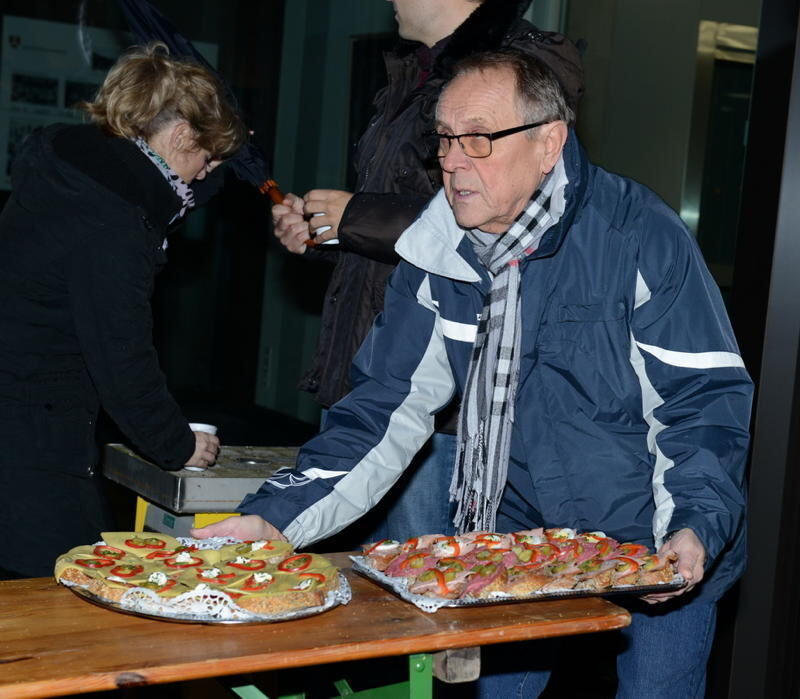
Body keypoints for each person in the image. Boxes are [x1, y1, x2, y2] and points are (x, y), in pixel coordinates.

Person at [195, 48, 753, 696]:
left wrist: (693, 525)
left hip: (655, 534)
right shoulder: (438, 249)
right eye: (445, 139)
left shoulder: (638, 236)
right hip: (518, 540)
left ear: (549, 143)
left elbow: (702, 401)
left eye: (479, 139)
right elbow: (381, 411)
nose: (454, 162)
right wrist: (274, 520)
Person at [271, 0, 584, 543]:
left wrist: (358, 217)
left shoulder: (519, 73)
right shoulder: (414, 73)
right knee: (363, 574)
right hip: (374, 381)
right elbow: (412, 235)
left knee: (423, 579)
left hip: (444, 408)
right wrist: (329, 234)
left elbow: (511, 221)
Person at [0, 42, 245, 578]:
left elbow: (171, 191)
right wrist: (177, 442)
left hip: (18, 409)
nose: (203, 176)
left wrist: (217, 162)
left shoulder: (77, 174)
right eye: (205, 159)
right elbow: (121, 355)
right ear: (180, 136)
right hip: (30, 435)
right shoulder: (114, 223)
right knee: (65, 588)